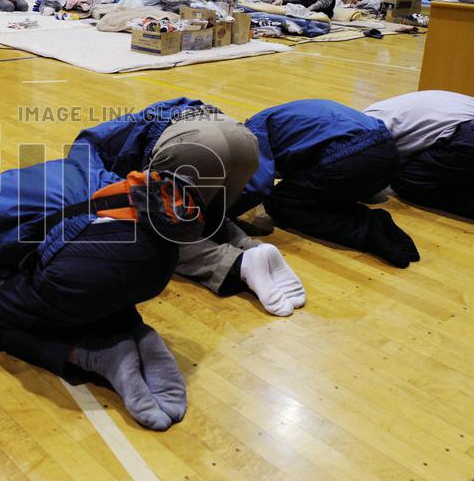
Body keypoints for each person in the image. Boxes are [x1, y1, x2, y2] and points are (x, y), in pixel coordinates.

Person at [0, 101, 257, 431]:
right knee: (94, 281)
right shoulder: (82, 161)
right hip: (159, 256)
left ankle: (100, 356)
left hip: (86, 267)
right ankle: (138, 333)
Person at [70, 99, 307, 318]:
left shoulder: (89, 147)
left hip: (193, 143)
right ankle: (254, 250)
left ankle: (238, 263)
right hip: (242, 139)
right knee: (203, 217)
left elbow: (95, 186)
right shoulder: (141, 120)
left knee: (157, 234)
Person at [229, 99, 420, 269]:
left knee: (280, 203)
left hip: (352, 159)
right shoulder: (278, 116)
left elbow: (259, 186)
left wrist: (224, 213)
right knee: (308, 191)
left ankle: (368, 227)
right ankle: (371, 219)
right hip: (388, 155)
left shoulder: (254, 130)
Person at [364, 91, 474, 238]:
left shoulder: (367, 131)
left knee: (406, 182)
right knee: (430, 170)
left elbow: (367, 171)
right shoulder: (378, 112)